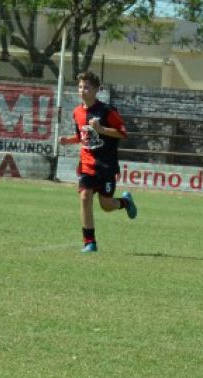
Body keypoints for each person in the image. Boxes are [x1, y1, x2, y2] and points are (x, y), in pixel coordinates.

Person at [58, 71, 137, 253]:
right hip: (87, 164)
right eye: (80, 87)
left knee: (106, 205)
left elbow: (123, 133)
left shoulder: (108, 111)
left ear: (96, 90)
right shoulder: (77, 112)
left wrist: (101, 129)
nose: (82, 90)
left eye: (86, 87)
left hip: (106, 165)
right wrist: (68, 140)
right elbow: (81, 137)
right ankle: (89, 242)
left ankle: (125, 202)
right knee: (85, 196)